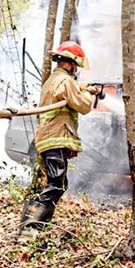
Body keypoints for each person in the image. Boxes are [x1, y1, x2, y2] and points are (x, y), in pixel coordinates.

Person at [17, 41, 100, 242]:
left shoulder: (53, 80)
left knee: (58, 183)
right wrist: (88, 93)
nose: (76, 70)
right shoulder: (65, 81)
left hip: (49, 139)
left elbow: (69, 92)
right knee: (56, 184)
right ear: (70, 64)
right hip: (56, 138)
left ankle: (37, 227)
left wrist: (82, 87)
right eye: (76, 66)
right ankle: (29, 229)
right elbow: (83, 106)